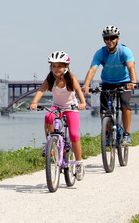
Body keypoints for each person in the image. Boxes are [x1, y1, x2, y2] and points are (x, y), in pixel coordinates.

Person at [30, 51, 87, 181]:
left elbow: (78, 90)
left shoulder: (71, 78)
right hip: (57, 106)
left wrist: (82, 103)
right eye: (53, 66)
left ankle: (79, 163)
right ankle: (51, 144)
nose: (56, 69)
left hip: (71, 108)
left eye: (59, 66)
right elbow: (41, 90)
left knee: (73, 135)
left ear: (66, 66)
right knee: (48, 117)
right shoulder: (50, 79)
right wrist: (34, 102)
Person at [82, 25, 137, 145]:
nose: (109, 41)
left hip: (124, 81)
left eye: (112, 38)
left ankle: (126, 135)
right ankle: (107, 133)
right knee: (104, 109)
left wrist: (133, 82)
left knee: (125, 104)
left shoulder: (125, 51)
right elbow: (93, 69)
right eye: (107, 38)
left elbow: (131, 66)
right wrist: (86, 85)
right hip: (107, 82)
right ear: (104, 40)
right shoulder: (101, 53)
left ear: (117, 39)